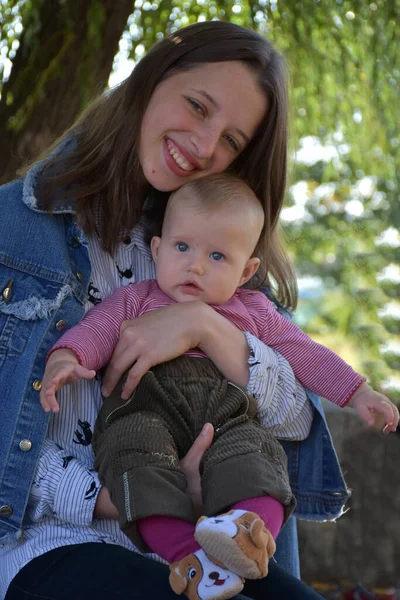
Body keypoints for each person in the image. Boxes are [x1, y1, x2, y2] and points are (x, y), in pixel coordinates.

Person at [0, 19, 348, 600]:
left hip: (213, 541)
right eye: (197, 105)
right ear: (150, 81)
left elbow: (294, 423)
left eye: (233, 140)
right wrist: (134, 497)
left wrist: (205, 327)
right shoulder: (13, 233)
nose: (207, 145)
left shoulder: (221, 265)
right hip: (53, 539)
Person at [39, 173, 399, 600]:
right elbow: (97, 330)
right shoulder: (137, 298)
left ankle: (245, 531)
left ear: (246, 271)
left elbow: (306, 354)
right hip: (144, 410)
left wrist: (356, 391)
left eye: (216, 255)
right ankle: (186, 557)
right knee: (134, 463)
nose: (196, 265)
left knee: (257, 456)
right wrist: (68, 356)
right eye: (182, 247)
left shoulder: (254, 312)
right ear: (157, 250)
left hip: (225, 414)